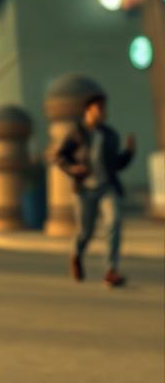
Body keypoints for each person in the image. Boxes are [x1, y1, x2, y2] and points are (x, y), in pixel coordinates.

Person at [53, 92, 135, 288]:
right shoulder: (77, 132)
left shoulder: (110, 135)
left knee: (114, 222)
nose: (103, 112)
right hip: (84, 189)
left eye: (104, 108)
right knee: (85, 232)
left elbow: (116, 164)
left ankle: (111, 271)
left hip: (107, 187)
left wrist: (129, 153)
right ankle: (76, 255)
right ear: (88, 110)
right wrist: (73, 169)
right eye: (99, 108)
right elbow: (60, 156)